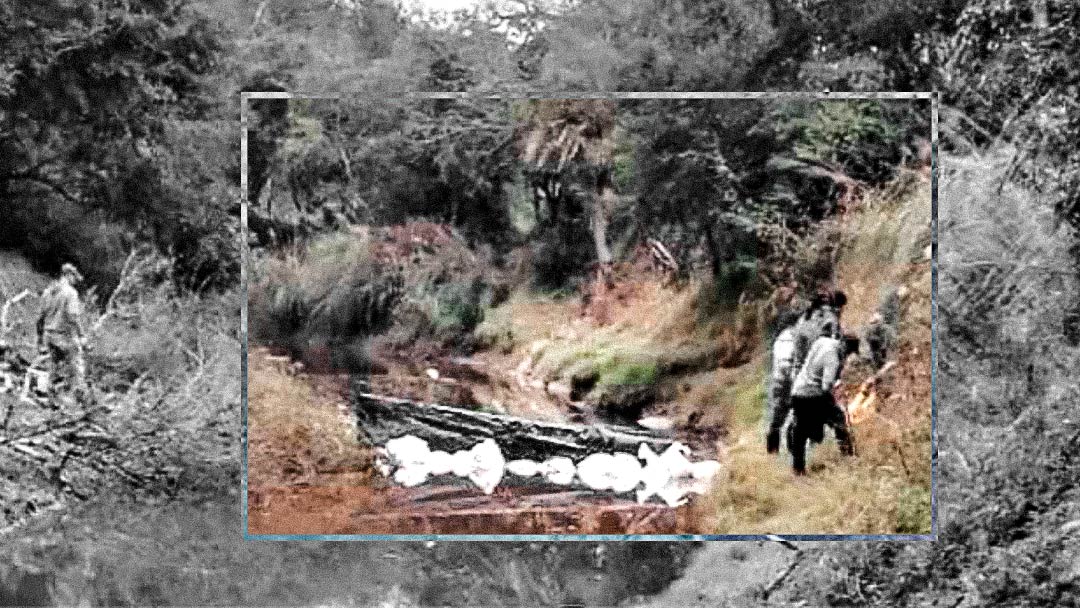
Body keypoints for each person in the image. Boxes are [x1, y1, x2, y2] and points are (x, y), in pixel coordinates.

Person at [787, 320, 857, 475]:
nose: (848, 356)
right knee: (838, 420)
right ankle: (849, 458)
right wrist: (836, 388)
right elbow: (826, 386)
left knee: (800, 430)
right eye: (849, 353)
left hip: (798, 391)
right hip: (813, 394)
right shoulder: (833, 358)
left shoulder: (822, 341)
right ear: (846, 347)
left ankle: (798, 469)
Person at [35, 263, 87, 394]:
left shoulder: (48, 292)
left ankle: (50, 397)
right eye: (74, 278)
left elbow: (40, 317)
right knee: (77, 367)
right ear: (68, 275)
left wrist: (39, 337)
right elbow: (72, 317)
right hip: (64, 336)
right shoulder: (70, 293)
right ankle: (81, 399)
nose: (75, 281)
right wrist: (82, 336)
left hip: (48, 335)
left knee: (53, 367)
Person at [765, 309, 801, 454]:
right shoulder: (793, 337)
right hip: (790, 381)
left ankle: (772, 452)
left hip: (778, 381)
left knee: (777, 419)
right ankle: (795, 453)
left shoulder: (779, 338)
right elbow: (788, 364)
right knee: (797, 416)